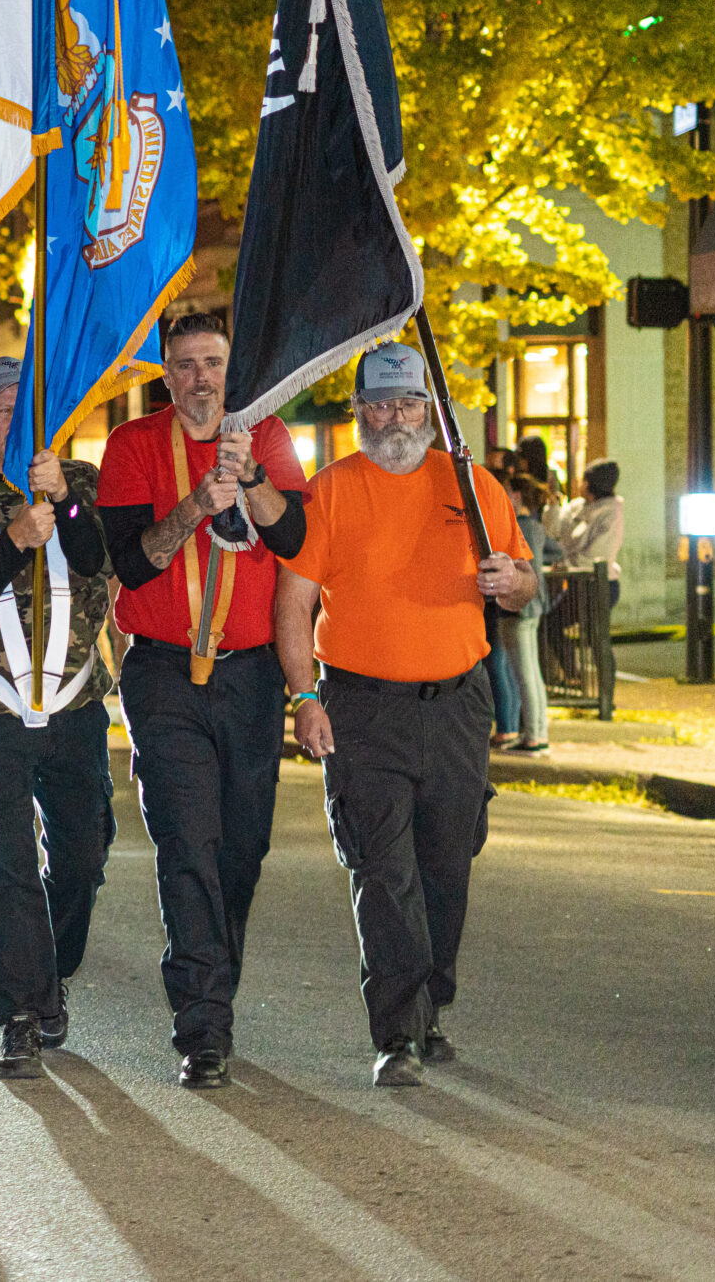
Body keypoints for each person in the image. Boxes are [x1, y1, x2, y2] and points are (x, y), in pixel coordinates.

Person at [275, 343, 537, 1087]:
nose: (396, 417)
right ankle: (394, 1030)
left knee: (446, 868)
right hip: (362, 708)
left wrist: (512, 578)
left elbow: (522, 588)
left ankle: (430, 1004)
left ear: (430, 408)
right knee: (382, 870)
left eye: (409, 402)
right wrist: (304, 696)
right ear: (357, 409)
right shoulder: (332, 490)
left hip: (456, 705)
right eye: (381, 403)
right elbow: (293, 601)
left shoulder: (474, 485)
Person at [95, 311, 309, 1090]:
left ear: (231, 367)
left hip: (249, 677)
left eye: (212, 362)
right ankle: (204, 1025)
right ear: (166, 373)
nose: (199, 378)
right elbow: (133, 562)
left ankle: (214, 980)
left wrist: (250, 480)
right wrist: (193, 503)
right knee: (188, 842)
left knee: (241, 848)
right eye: (183, 365)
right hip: (162, 672)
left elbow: (294, 541)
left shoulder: (271, 438)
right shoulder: (133, 447)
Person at [0, 358, 114, 1081]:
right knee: (7, 870)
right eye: (0, 406)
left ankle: (51, 969)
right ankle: (20, 1014)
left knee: (83, 856)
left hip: (74, 707)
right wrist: (16, 531)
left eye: (26, 405)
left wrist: (61, 502)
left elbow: (99, 558)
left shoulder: (84, 481)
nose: (13, 416)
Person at [505, 475, 555, 754]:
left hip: (519, 608)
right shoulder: (536, 527)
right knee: (532, 672)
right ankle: (537, 731)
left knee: (524, 673)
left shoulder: (517, 527)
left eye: (508, 490)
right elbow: (555, 551)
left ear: (518, 496)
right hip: (535, 606)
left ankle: (534, 736)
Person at [557, 459, 625, 612]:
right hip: (580, 582)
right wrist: (553, 506)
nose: (580, 485)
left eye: (583, 480)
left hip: (600, 583)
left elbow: (597, 554)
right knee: (554, 625)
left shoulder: (611, 513)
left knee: (589, 630)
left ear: (588, 484)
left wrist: (565, 562)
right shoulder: (578, 506)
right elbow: (556, 531)